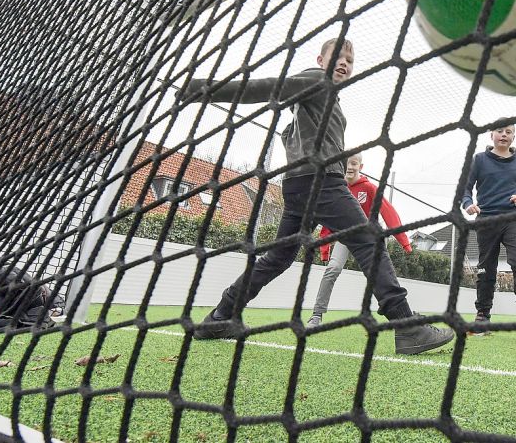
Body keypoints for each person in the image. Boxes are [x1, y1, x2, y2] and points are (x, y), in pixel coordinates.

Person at [180, 38, 453, 355]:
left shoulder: (325, 101)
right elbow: (267, 87)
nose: (344, 63)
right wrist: (203, 88)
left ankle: (220, 315)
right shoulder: (315, 79)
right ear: (321, 59)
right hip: (320, 182)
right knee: (369, 241)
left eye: (349, 60)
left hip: (299, 186)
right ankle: (406, 326)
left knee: (279, 257)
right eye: (337, 57)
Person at [308, 153, 412, 328]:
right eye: (347, 164)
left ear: (360, 167)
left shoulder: (369, 188)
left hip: (370, 238)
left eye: (354, 163)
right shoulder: (337, 190)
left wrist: (404, 241)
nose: (350, 167)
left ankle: (402, 316)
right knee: (332, 269)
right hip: (345, 236)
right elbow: (328, 220)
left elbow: (389, 212)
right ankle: (316, 315)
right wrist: (325, 248)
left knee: (380, 275)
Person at [460, 125, 516, 342]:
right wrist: (468, 203)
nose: (504, 134)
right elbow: (465, 190)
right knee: (486, 268)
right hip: (487, 220)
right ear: (492, 135)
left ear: (514, 136)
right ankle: (483, 316)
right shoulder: (479, 160)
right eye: (499, 131)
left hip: (513, 220)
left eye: (508, 131)